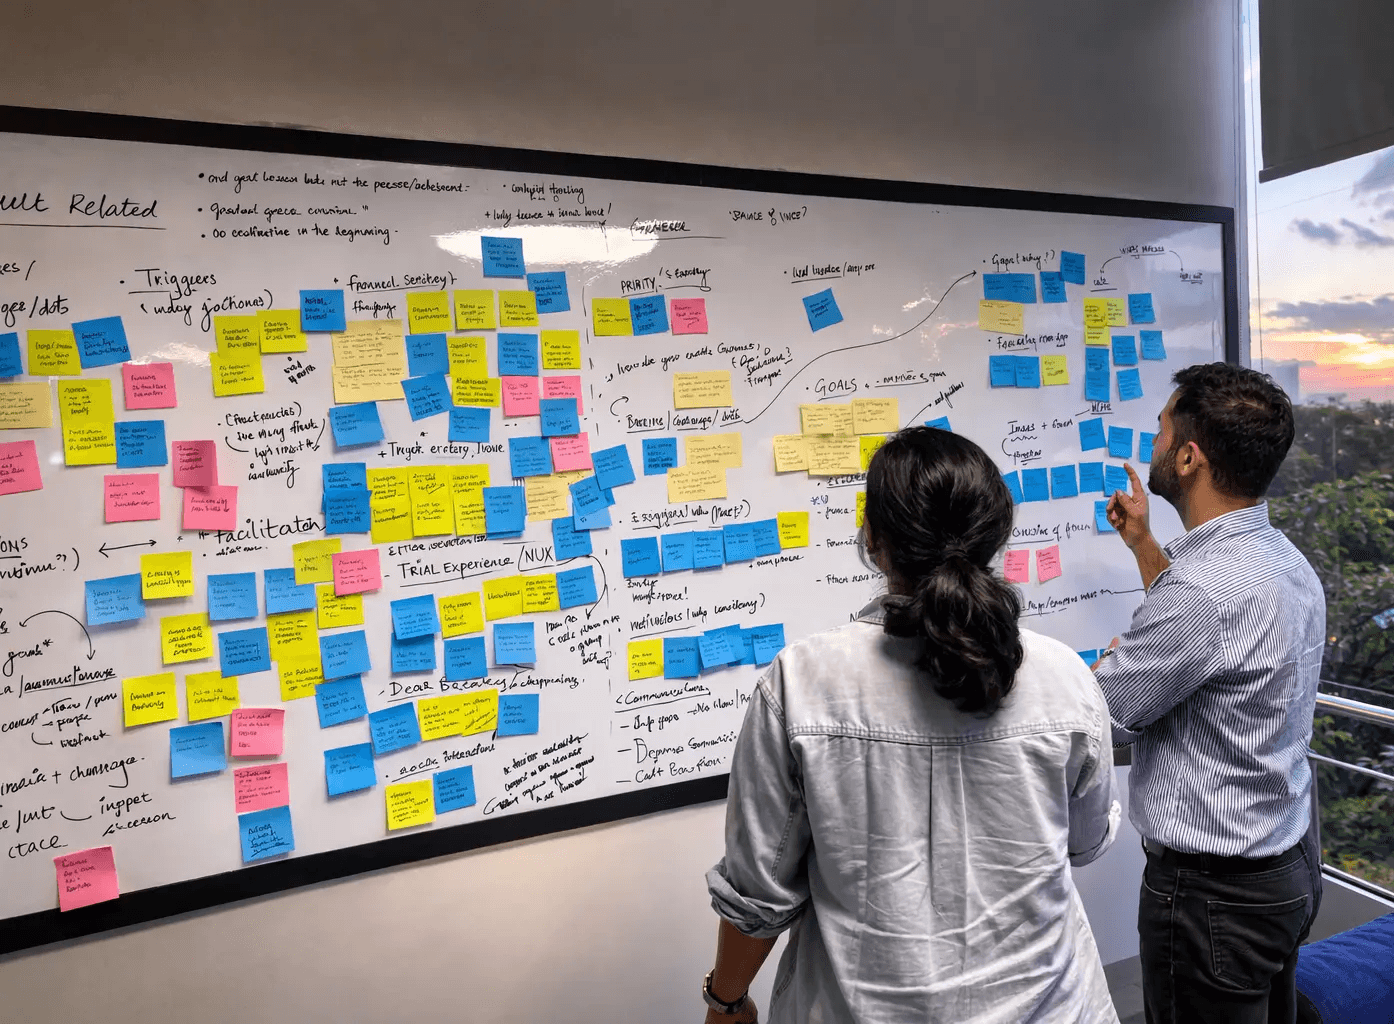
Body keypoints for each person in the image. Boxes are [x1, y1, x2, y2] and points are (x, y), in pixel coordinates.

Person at [701, 426, 1122, 1024]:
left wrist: (725, 999)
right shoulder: (1065, 677)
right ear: (995, 534)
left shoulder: (801, 681)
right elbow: (1085, 843)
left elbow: (758, 893)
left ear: (872, 536)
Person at [1096, 362, 1325, 1024]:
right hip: (1283, 867)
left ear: (1190, 457)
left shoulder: (1202, 594)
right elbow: (1206, 639)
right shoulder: (1283, 560)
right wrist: (1142, 543)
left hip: (1211, 897)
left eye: (1162, 431)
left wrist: (1112, 664)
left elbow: (1106, 718)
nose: (1155, 444)